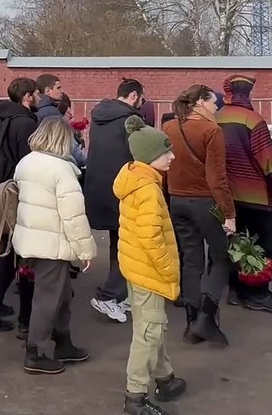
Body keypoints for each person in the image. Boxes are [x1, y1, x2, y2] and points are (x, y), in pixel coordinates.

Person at [10, 117, 95, 375]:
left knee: (60, 293)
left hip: (33, 239)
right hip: (52, 242)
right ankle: (36, 351)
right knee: (49, 298)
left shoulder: (26, 162)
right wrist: (85, 250)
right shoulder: (62, 169)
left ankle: (62, 341)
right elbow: (73, 215)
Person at [115, 115, 187, 415]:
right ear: (149, 156)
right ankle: (135, 397)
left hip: (137, 268)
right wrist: (168, 267)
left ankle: (164, 378)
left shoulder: (136, 179)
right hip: (149, 270)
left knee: (152, 326)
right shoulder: (148, 189)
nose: (172, 156)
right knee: (148, 332)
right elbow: (150, 237)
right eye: (165, 151)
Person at [161, 85, 233, 347]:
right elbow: (217, 176)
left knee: (191, 260)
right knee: (221, 256)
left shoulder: (169, 127)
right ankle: (206, 317)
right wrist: (229, 213)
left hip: (177, 201)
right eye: (214, 103)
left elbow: (164, 168)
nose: (216, 108)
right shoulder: (212, 131)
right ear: (201, 102)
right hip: (206, 202)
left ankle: (192, 324)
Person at [216, 75, 272, 315]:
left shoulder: (215, 118)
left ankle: (236, 290)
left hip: (225, 195)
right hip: (254, 195)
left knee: (235, 244)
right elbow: (268, 161)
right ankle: (258, 294)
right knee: (262, 246)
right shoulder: (253, 120)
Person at [0, 78, 40, 333]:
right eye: (36, 94)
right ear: (27, 96)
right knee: (25, 260)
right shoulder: (26, 123)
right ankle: (25, 321)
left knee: (6, 257)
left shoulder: (0, 118)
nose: (38, 98)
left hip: (0, 195)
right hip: (19, 197)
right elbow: (28, 164)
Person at [85, 78, 146, 324]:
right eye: (142, 98)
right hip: (124, 190)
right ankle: (109, 296)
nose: (142, 103)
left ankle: (119, 294)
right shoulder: (131, 120)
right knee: (129, 246)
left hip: (100, 188)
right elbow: (141, 154)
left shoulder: (99, 117)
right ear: (134, 96)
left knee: (118, 243)